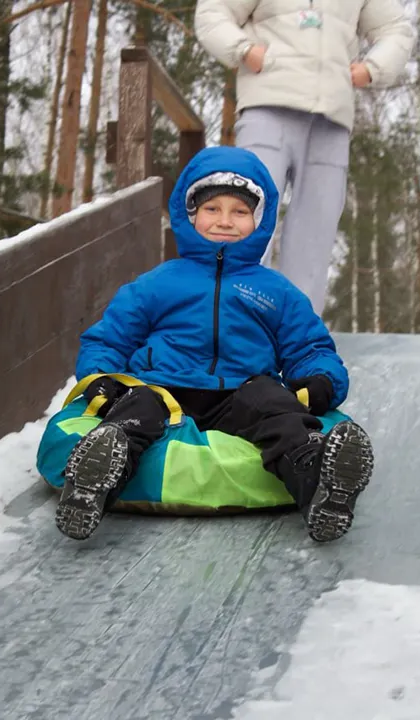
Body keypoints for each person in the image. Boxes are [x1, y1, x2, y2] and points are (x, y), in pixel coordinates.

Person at [55, 146, 373, 543]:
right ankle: (94, 481)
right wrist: (102, 377)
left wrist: (321, 380)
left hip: (240, 394)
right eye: (212, 209)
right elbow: (110, 336)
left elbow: (309, 347)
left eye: (240, 212)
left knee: (274, 404)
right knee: (138, 407)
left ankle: (318, 482)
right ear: (190, 215)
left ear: (259, 220)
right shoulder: (159, 282)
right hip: (164, 388)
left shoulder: (276, 291)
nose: (225, 221)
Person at [194, 0, 413, 314]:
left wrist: (371, 69)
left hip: (331, 122)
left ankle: (299, 344)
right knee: (248, 218)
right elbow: (213, 12)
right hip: (267, 108)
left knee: (316, 233)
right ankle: (232, 332)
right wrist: (246, 51)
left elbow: (397, 29)